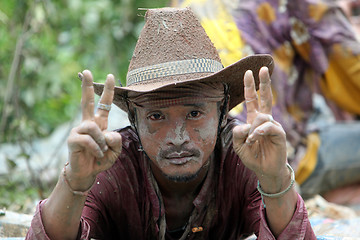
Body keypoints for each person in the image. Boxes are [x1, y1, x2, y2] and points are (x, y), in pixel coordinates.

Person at [26, 7, 316, 239]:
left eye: (194, 114)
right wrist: (75, 181)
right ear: (133, 120)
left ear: (223, 111)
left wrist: (275, 177)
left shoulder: (244, 156)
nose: (177, 137)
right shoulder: (110, 167)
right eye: (156, 116)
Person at [172, 0, 360, 200]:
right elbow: (353, 77)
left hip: (197, 162)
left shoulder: (181, 5)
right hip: (272, 160)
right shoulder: (305, 4)